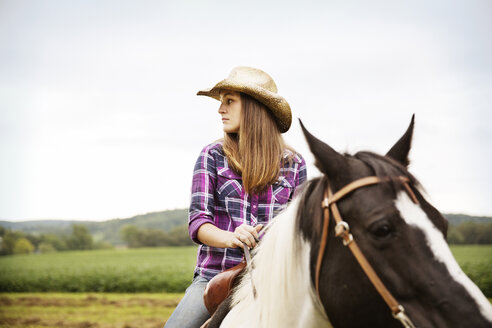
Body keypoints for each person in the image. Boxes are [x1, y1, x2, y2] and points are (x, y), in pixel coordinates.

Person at [164, 66, 307, 328]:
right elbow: (198, 223)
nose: (220, 109)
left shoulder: (294, 164)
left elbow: (298, 231)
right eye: (221, 102)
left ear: (254, 107)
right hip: (215, 277)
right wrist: (232, 238)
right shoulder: (212, 155)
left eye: (229, 101)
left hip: (273, 281)